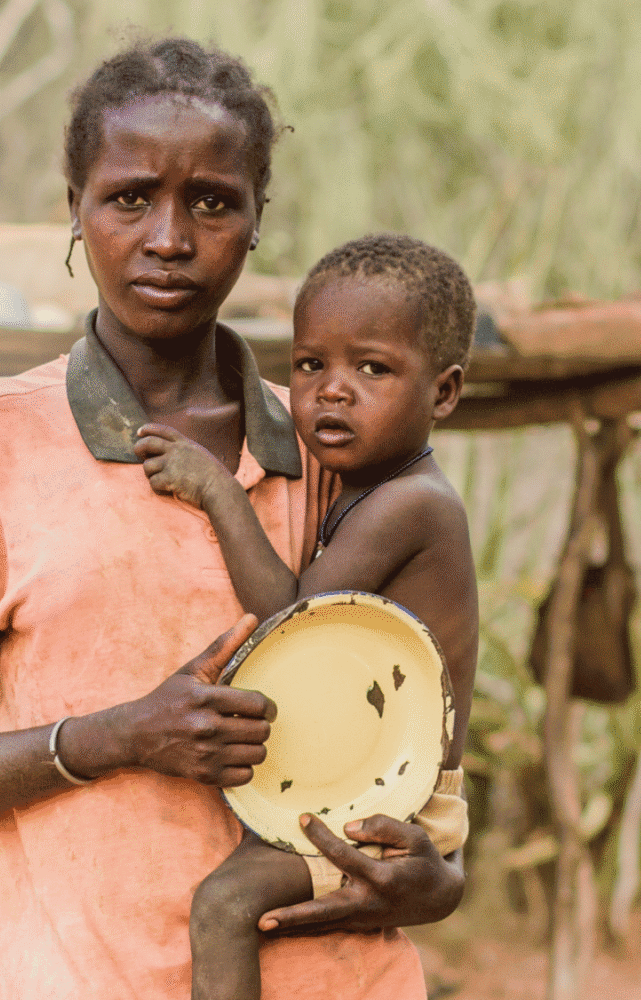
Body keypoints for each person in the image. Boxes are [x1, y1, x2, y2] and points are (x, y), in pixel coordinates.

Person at [0, 39, 466, 1000]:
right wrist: (119, 737)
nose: (169, 239)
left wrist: (437, 879)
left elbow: (415, 724)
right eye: (130, 196)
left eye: (213, 203)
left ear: (259, 221)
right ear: (75, 207)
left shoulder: (333, 445)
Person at [134, 233, 477, 1000]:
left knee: (224, 903)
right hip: (373, 785)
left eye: (373, 369)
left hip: (398, 805)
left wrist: (217, 490)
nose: (331, 389)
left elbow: (287, 616)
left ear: (444, 393)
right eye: (310, 364)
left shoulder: (411, 505)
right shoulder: (365, 488)